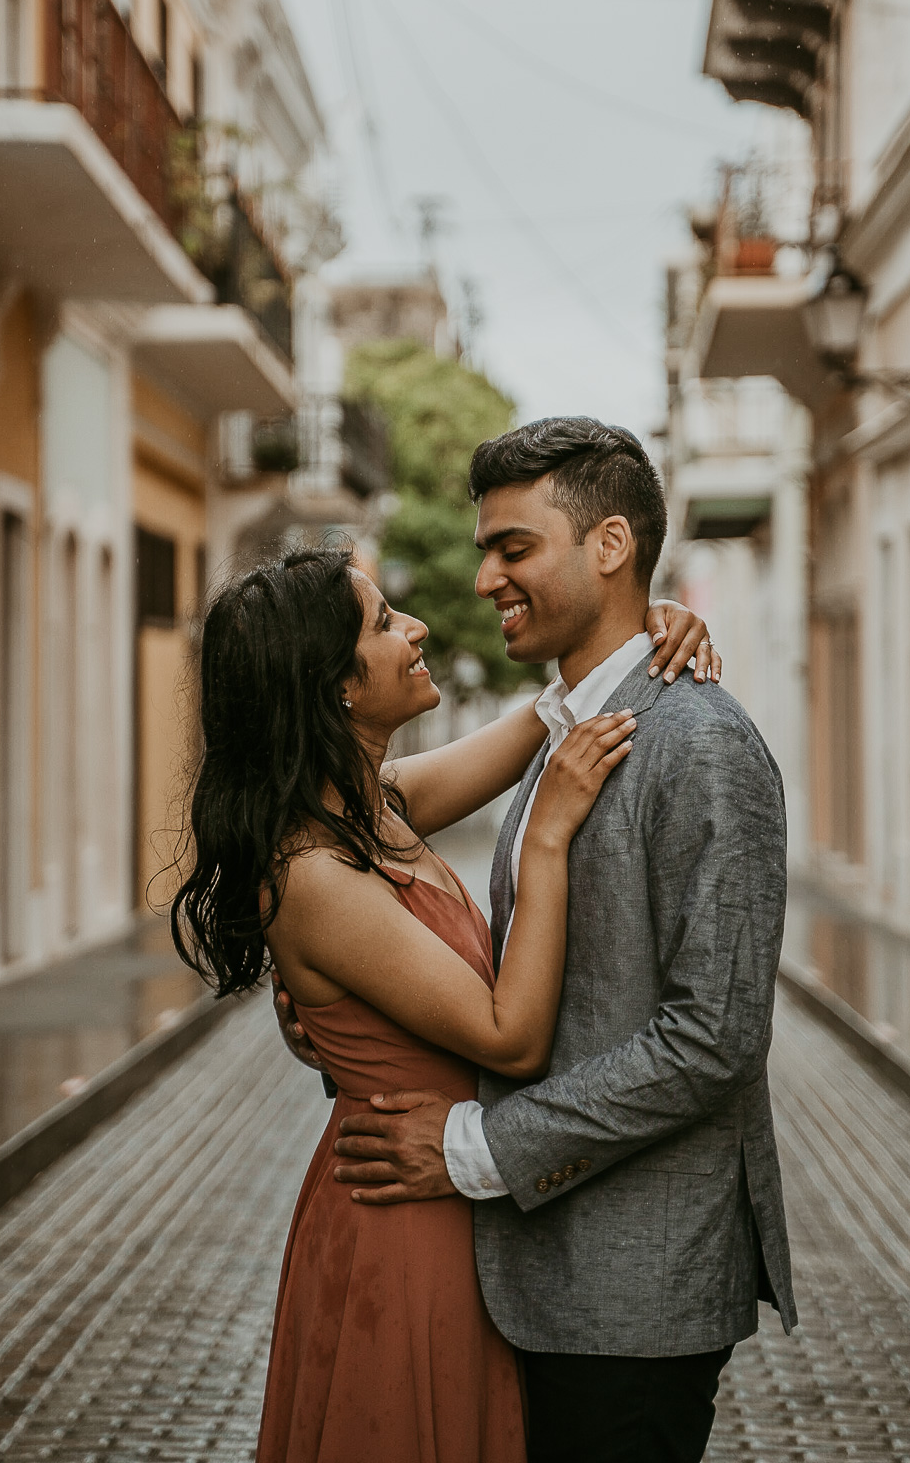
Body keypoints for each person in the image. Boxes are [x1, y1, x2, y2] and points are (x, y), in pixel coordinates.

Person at [310, 417, 797, 1463]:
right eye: (486, 549)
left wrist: (475, 1149)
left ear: (609, 547)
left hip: (633, 1296)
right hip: (535, 1283)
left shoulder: (701, 745)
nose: (484, 577)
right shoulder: (574, 732)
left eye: (514, 548)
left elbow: (714, 1039)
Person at [172, 543, 716, 1463]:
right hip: (405, 1229)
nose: (416, 629)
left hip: (454, 1199)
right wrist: (543, 841)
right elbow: (510, 1039)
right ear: (334, 687)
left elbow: (552, 716)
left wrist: (645, 625)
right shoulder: (313, 875)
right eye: (384, 625)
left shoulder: (376, 809)